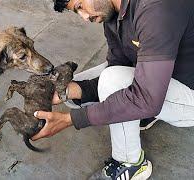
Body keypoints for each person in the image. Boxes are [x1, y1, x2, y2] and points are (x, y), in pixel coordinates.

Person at [31, 0, 194, 179]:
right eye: (76, 12)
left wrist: (70, 120)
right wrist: (68, 92)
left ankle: (132, 164)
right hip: (158, 76)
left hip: (188, 95)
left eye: (79, 6)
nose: (84, 17)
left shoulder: (156, 8)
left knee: (114, 81)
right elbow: (119, 64)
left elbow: (147, 98)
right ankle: (140, 115)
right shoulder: (112, 12)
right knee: (73, 87)